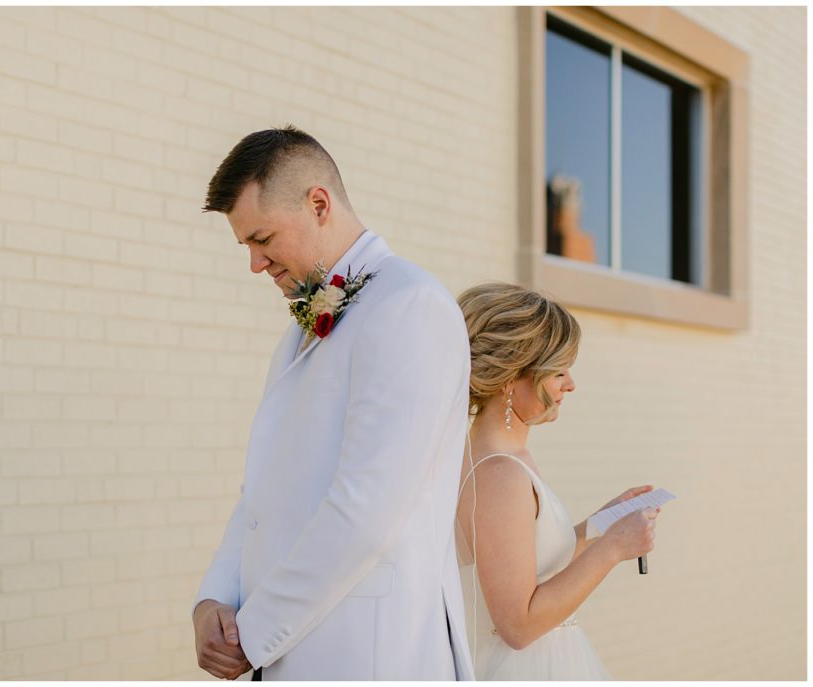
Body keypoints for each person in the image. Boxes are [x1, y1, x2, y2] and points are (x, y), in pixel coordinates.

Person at [191, 125, 475, 681]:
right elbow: (262, 495)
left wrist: (253, 633)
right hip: (290, 653)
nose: (255, 263)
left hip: (371, 656)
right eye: (246, 245)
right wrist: (214, 602)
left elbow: (366, 510)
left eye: (263, 239)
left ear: (318, 203)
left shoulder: (410, 306)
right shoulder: (298, 333)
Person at [454, 282, 660, 680]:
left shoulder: (503, 461)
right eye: (559, 371)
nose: (570, 384)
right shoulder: (499, 475)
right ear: (512, 377)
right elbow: (518, 624)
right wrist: (615, 547)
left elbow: (531, 561)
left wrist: (604, 523)